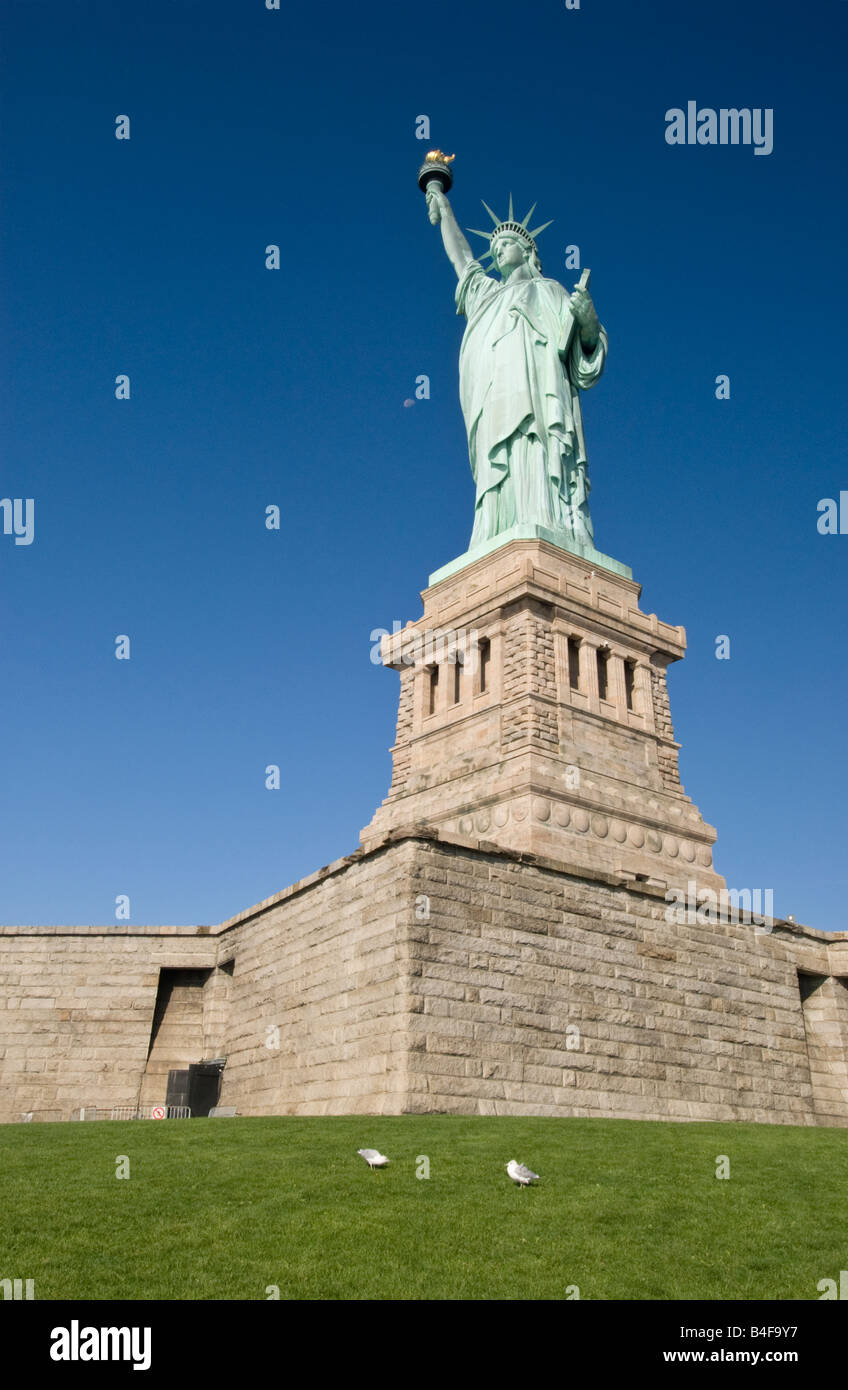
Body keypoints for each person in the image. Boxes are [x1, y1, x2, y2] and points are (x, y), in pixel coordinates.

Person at [426, 184, 607, 551]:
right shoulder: (486, 295)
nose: (497, 250)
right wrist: (444, 209)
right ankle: (497, 529)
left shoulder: (551, 291)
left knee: (536, 449)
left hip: (541, 402)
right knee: (501, 464)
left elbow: (583, 361)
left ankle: (549, 520)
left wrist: (587, 322)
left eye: (505, 244)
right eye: (493, 248)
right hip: (494, 402)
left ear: (527, 251)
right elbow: (462, 261)